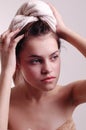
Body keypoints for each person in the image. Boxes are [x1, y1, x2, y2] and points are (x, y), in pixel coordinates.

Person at [0, 0, 86, 130]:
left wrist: (65, 32)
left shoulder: (70, 95)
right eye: (36, 60)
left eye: (54, 57)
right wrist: (6, 71)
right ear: (17, 62)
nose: (48, 69)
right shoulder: (5, 100)